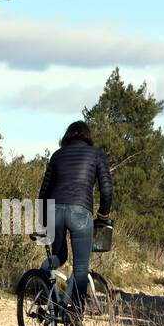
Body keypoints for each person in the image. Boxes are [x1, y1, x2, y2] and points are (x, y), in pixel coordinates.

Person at [37, 120, 113, 313]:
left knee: (58, 256)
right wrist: (103, 214)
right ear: (88, 136)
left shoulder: (57, 155)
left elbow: (44, 191)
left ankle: (40, 283)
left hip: (54, 210)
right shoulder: (96, 154)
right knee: (80, 267)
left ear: (67, 136)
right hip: (80, 211)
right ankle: (74, 313)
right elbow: (106, 190)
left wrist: (43, 220)